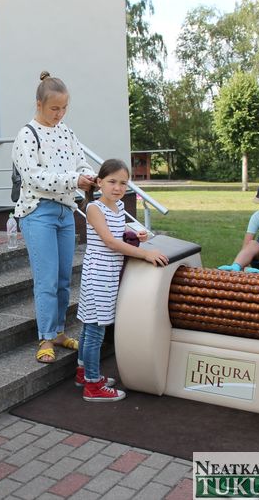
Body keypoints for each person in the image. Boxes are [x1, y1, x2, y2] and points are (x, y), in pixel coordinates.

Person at [12, 71, 96, 364]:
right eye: (54, 108)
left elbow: (80, 162)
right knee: (46, 280)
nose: (59, 114)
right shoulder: (27, 135)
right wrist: (75, 179)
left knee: (62, 279)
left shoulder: (66, 132)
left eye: (64, 108)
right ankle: (46, 338)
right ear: (39, 104)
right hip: (38, 213)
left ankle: (59, 332)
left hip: (65, 211)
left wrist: (89, 176)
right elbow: (34, 177)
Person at [75, 159, 168, 402]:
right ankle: (93, 385)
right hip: (99, 275)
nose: (118, 188)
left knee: (90, 326)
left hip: (107, 274)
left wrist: (135, 235)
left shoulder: (118, 207)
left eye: (123, 183)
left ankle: (84, 373)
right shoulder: (94, 208)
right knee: (95, 331)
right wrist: (145, 253)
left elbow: (116, 234)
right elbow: (110, 242)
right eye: (112, 182)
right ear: (99, 182)